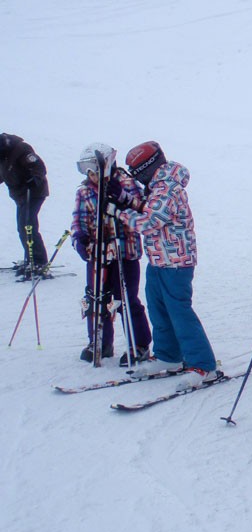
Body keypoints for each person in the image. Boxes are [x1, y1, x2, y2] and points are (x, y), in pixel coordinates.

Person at [111, 141, 219, 390]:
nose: (136, 178)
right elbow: (148, 209)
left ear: (148, 168)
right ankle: (168, 357)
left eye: (136, 172)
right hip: (159, 258)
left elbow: (150, 222)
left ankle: (203, 365)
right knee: (158, 309)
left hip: (176, 261)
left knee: (180, 312)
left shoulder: (168, 188)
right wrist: (124, 200)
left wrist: (118, 213)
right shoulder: (157, 186)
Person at [71, 143, 152, 366]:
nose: (91, 175)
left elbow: (140, 211)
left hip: (124, 252)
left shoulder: (125, 184)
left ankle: (139, 344)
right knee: (96, 298)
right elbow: (79, 221)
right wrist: (80, 239)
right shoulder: (85, 191)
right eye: (86, 170)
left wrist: (120, 201)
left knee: (125, 299)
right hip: (97, 255)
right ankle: (100, 341)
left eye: (94, 169)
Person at [0, 133, 49, 274]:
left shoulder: (21, 149)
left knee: (27, 226)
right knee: (23, 227)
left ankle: (39, 262)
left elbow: (38, 166)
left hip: (33, 192)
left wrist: (35, 178)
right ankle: (31, 258)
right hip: (20, 196)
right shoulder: (3, 156)